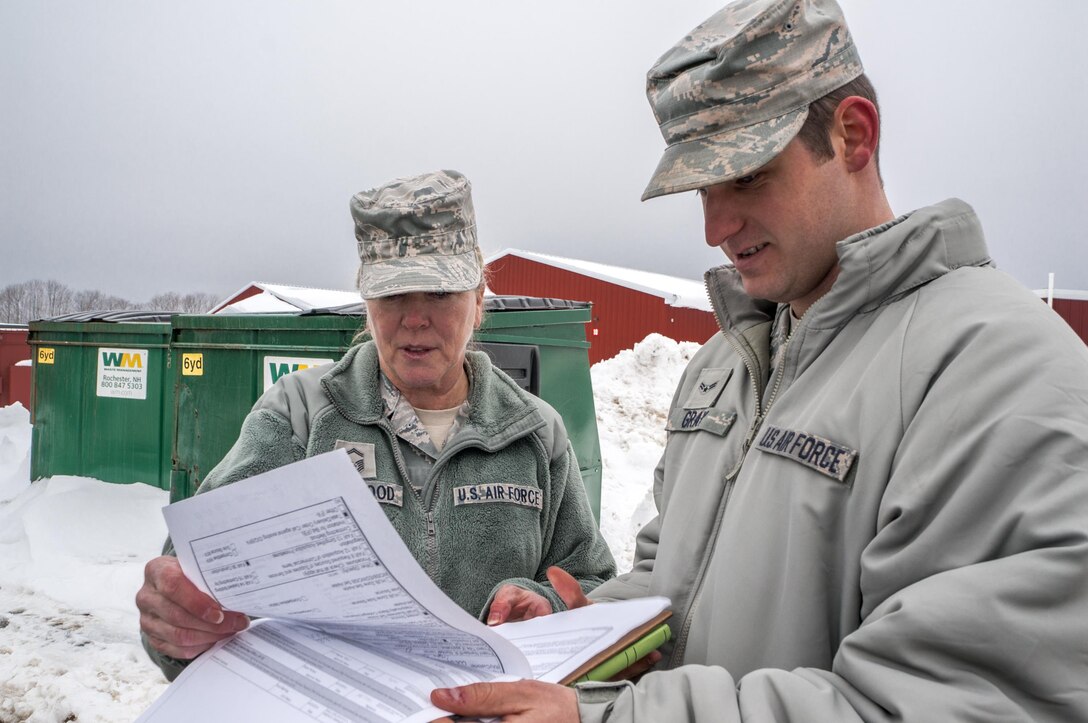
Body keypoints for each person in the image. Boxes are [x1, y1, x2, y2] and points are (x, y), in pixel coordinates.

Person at [433, 1, 1088, 720]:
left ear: (853, 136)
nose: (716, 227)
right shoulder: (727, 363)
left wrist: (605, 716)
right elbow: (674, 577)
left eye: (746, 177)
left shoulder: (997, 369)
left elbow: (952, 700)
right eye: (704, 190)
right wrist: (575, 627)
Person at [136, 169, 615, 681]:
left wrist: (546, 604)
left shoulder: (534, 433)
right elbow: (195, 579)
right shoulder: (299, 418)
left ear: (479, 302)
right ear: (366, 306)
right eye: (392, 296)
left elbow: (590, 583)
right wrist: (176, 624)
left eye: (438, 294)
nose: (413, 319)